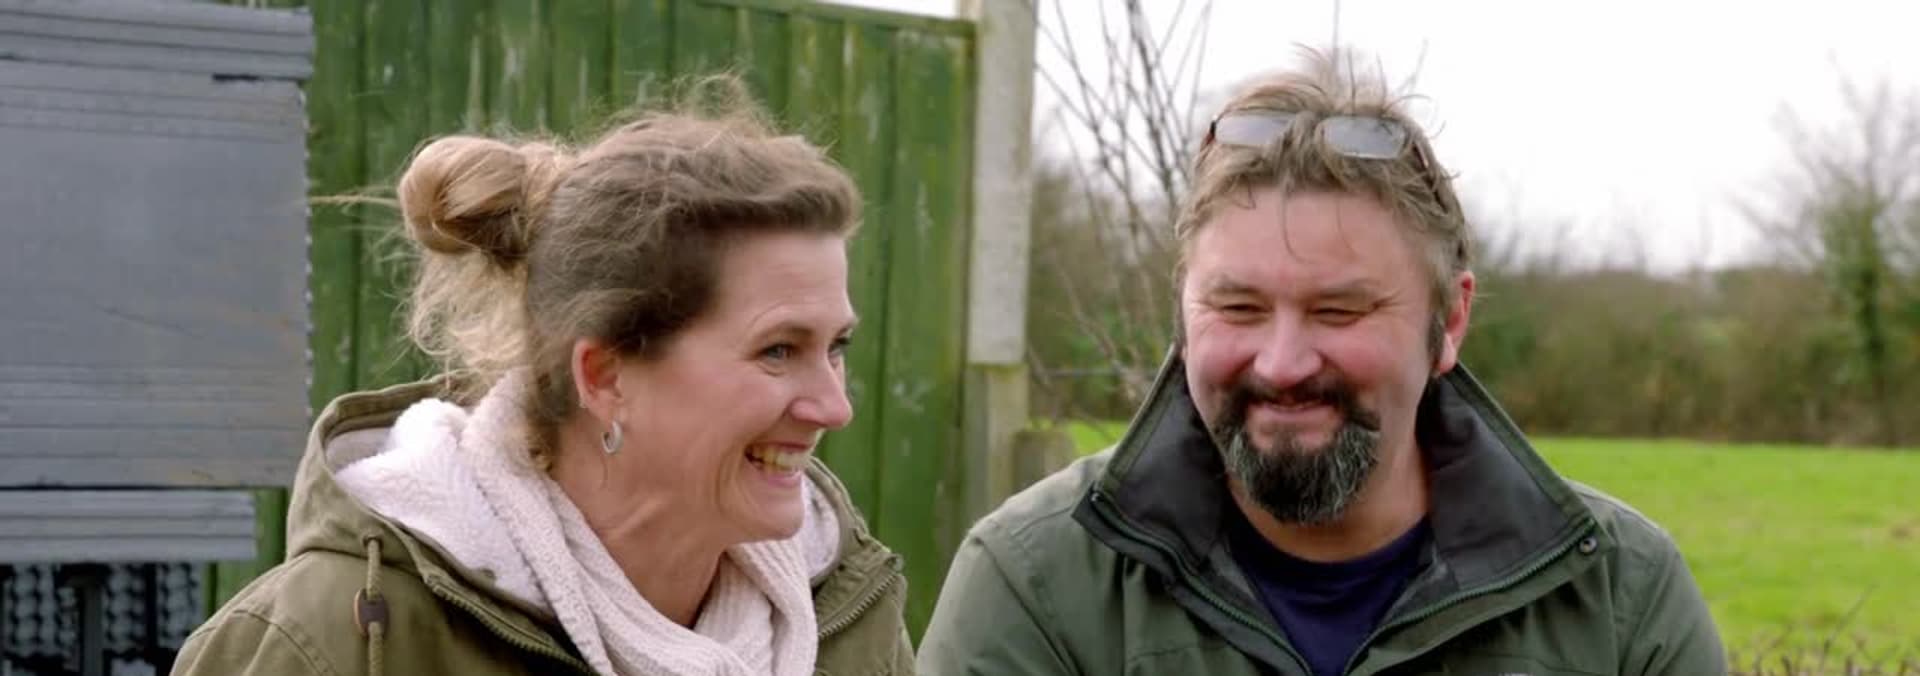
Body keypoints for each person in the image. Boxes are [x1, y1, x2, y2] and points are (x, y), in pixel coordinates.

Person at [917, 53, 1726, 676]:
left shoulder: (1618, 597)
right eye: (1238, 308)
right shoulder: (1036, 584)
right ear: (1184, 312)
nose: (1282, 363)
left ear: (1449, 321)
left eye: (1339, 312)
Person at [174, 81, 915, 676]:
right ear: (605, 376)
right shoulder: (334, 640)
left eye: (837, 346)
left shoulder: (848, 624)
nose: (835, 406)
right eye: (778, 351)